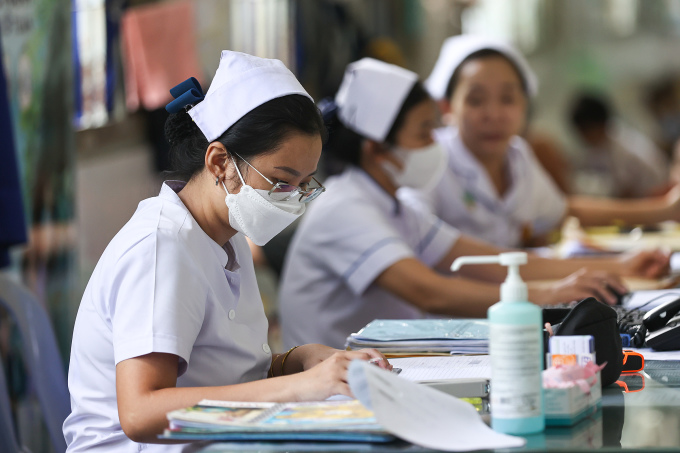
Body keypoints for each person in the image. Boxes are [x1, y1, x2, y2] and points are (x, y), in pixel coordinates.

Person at [62, 51, 391, 452]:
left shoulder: (226, 234)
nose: (293, 200)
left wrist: (297, 361)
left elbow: (225, 371)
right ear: (220, 162)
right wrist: (299, 387)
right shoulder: (160, 248)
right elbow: (140, 414)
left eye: (305, 184)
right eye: (282, 181)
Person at [278, 58, 668, 350]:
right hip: (334, 383)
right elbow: (429, 292)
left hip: (387, 362)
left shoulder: (393, 205)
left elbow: (495, 261)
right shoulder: (345, 207)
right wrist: (551, 293)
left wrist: (615, 265)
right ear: (377, 148)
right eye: (424, 133)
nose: (436, 144)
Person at [401, 35, 680, 248]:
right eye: (476, 100)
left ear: (524, 107)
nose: (494, 114)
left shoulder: (518, 156)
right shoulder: (428, 159)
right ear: (447, 107)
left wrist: (662, 210)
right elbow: (428, 249)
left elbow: (562, 211)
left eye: (508, 99)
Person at [569, 92, 668, 198]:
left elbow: (626, 194)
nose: (582, 138)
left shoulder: (622, 149)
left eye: (583, 132)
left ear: (595, 125)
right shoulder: (610, 137)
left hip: (656, 198)